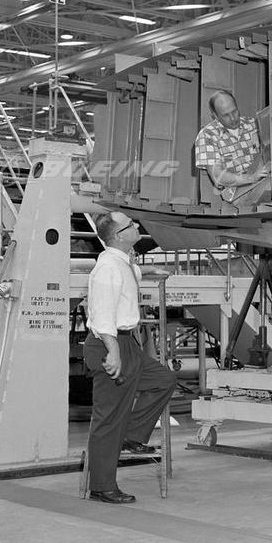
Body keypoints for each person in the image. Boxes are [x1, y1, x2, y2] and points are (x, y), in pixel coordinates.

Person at [82, 211, 177, 504]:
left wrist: (150, 271)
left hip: (126, 345)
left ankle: (131, 435)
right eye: (131, 225)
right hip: (109, 344)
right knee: (108, 419)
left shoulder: (121, 262)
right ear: (119, 236)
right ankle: (102, 487)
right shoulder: (107, 268)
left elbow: (131, 273)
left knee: (163, 380)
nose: (136, 227)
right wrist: (113, 353)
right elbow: (101, 315)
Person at [194, 90, 269, 204]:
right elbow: (217, 176)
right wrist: (252, 178)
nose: (233, 118)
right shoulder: (207, 135)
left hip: (263, 179)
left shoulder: (253, 124)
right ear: (215, 116)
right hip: (237, 193)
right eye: (226, 115)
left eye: (234, 111)